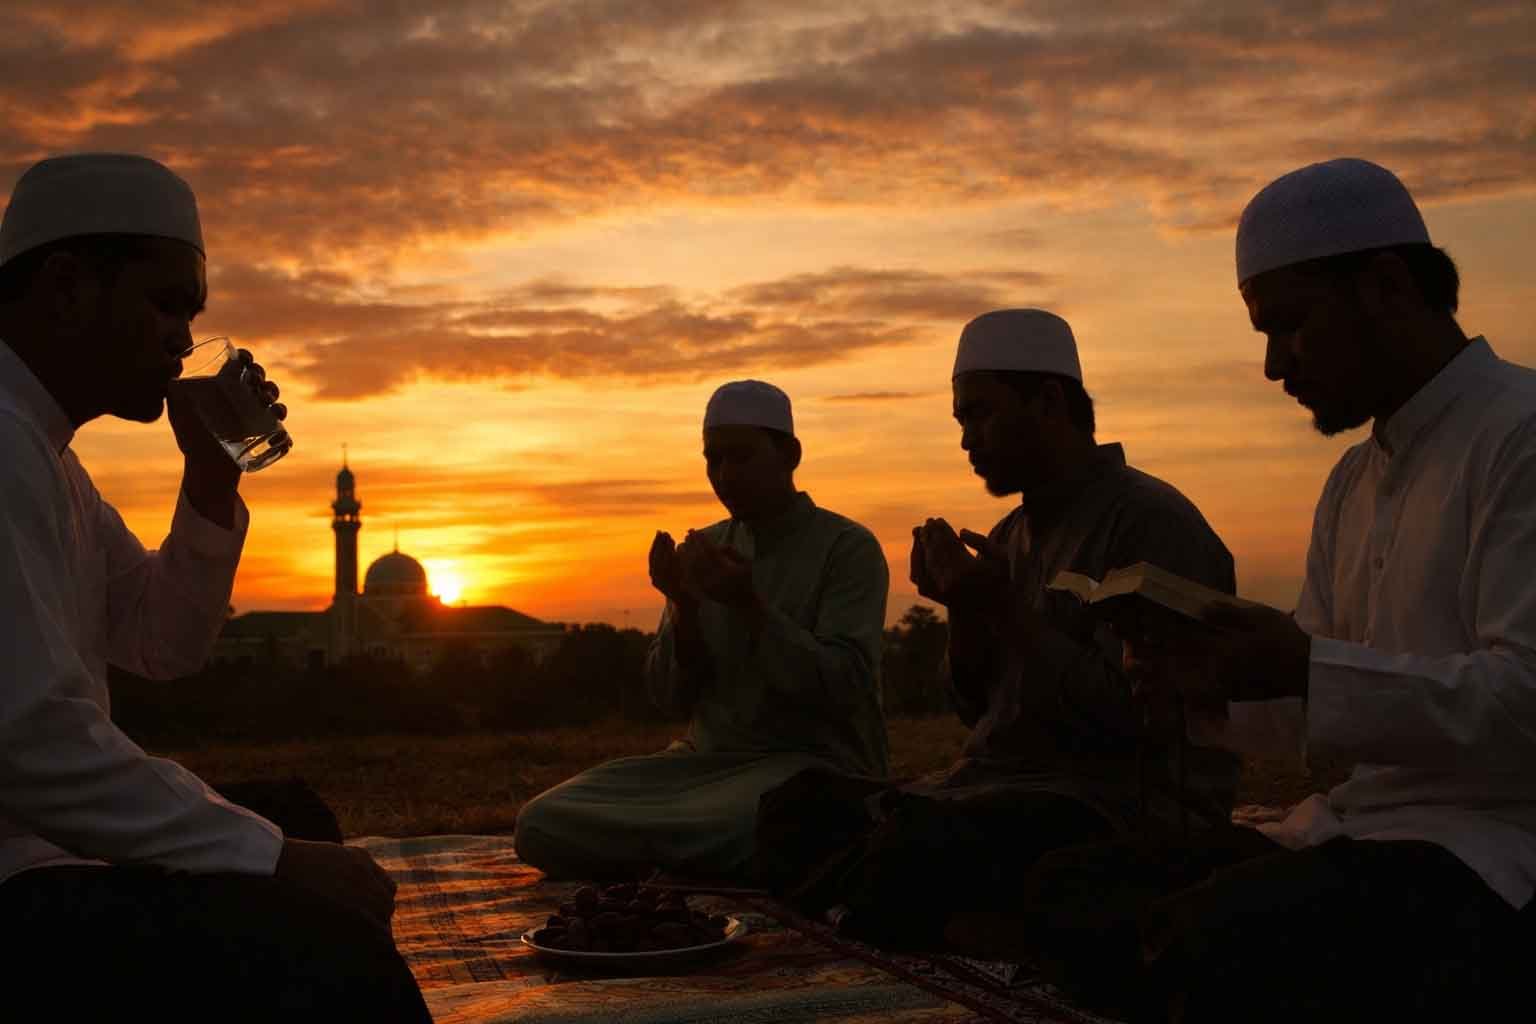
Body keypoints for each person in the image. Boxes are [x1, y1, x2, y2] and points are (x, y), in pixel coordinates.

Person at [1012, 158, 1535, 1022]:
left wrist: (1302, 666)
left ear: (1386, 286)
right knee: (1073, 885)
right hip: (1356, 831)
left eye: (1289, 326)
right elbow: (1321, 704)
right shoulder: (1352, 481)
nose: (1270, 365)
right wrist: (1205, 686)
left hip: (1494, 856)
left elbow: (1522, 702)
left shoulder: (1517, 437)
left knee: (1205, 939)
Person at [0, 154, 429, 1021]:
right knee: (332, 952)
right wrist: (273, 860)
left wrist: (211, 478)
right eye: (166, 305)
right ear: (66, 286)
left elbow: (164, 643)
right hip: (16, 883)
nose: (182, 342)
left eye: (191, 317)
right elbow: (33, 746)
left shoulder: (51, 463)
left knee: (293, 816)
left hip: (50, 841)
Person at [755, 309, 1238, 947]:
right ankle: (933, 911)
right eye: (961, 421)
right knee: (794, 807)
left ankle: (946, 915)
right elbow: (975, 706)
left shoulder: (1151, 522)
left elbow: (1142, 718)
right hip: (997, 789)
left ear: (1047, 402)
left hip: (1114, 804)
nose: (966, 441)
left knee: (924, 848)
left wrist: (1003, 606)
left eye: (979, 415)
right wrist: (964, 607)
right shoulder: (1013, 536)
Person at [515, 379, 890, 880]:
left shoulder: (847, 549)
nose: (724, 475)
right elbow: (670, 701)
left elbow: (843, 688)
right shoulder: (705, 549)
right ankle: (723, 857)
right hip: (699, 767)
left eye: (740, 457)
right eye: (713, 460)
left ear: (790, 455)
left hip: (810, 769)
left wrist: (747, 604)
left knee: (768, 822)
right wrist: (683, 605)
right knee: (541, 823)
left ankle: (727, 850)